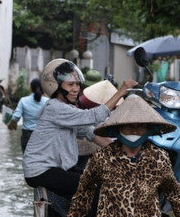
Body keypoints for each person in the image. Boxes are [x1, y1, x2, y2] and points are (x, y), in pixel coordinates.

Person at [22, 59, 134, 200]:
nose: (76, 89)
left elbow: (91, 133)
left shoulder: (67, 109)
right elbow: (94, 115)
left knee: (98, 179)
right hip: (40, 171)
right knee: (93, 186)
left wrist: (126, 154)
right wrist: (121, 91)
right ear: (55, 86)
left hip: (53, 169)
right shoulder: (55, 108)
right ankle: (89, 214)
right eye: (70, 84)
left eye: (77, 84)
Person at [7, 78, 48, 152]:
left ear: (31, 89)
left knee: (27, 158)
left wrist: (11, 125)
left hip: (27, 136)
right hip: (43, 135)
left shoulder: (23, 101)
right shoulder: (47, 102)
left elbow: (16, 117)